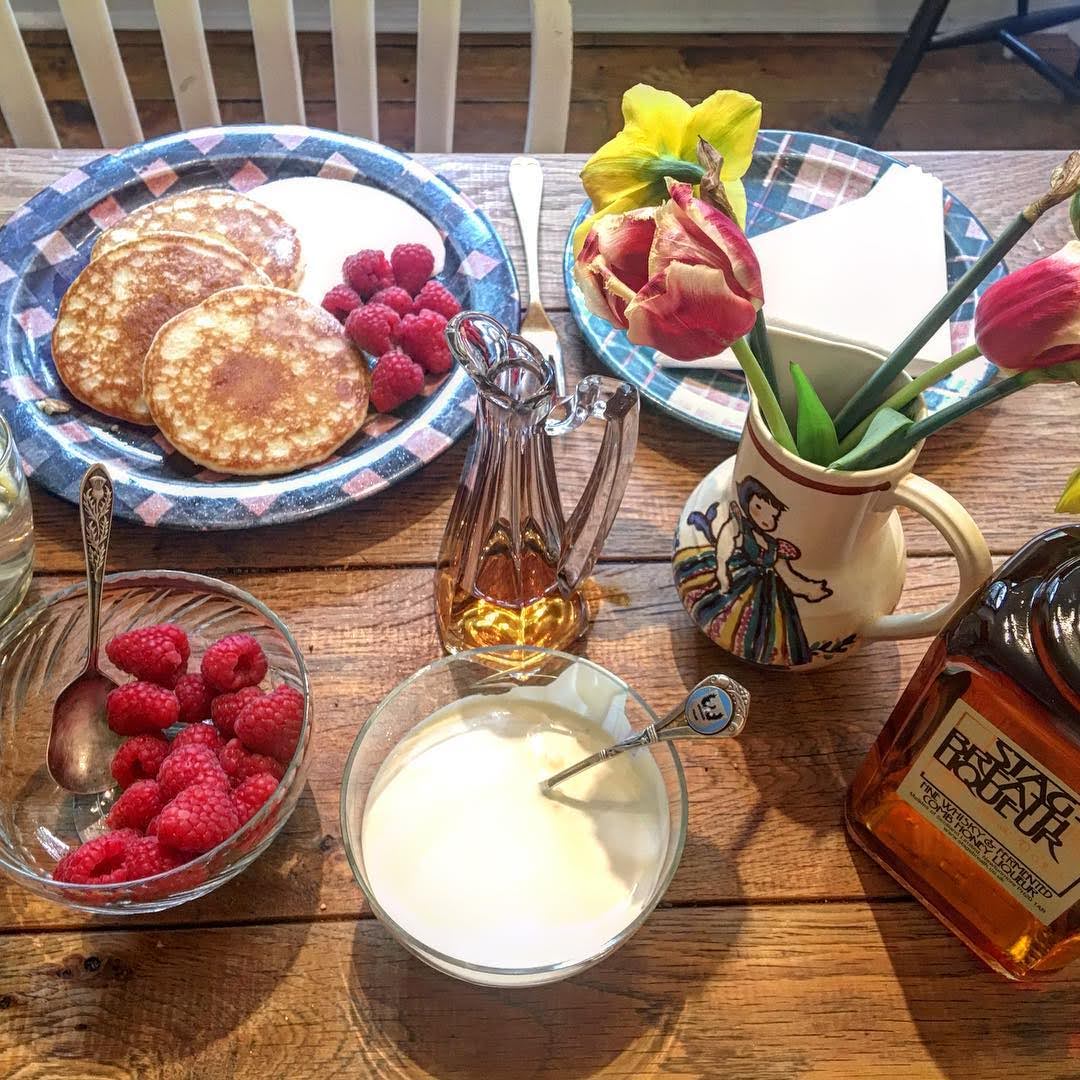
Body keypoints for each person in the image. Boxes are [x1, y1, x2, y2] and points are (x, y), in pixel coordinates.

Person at [674, 475, 831, 667]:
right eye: (758, 508)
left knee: (768, 627)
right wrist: (722, 570)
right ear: (746, 502)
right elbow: (726, 544)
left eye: (772, 515)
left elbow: (787, 574)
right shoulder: (741, 527)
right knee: (728, 612)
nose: (765, 519)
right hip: (741, 576)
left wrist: (809, 589)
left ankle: (762, 653)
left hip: (769, 592)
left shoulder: (775, 546)